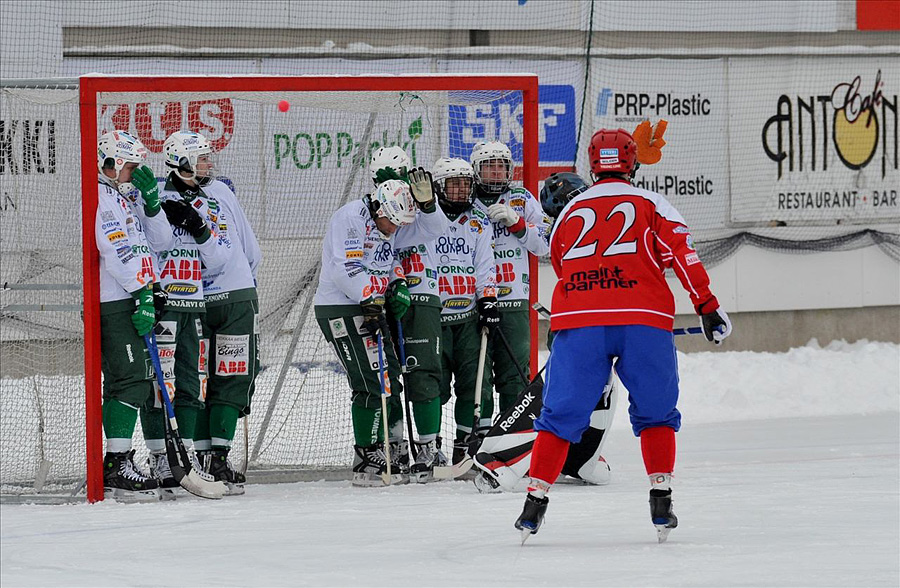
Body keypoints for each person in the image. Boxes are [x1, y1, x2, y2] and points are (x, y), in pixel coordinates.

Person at [513, 128, 732, 543]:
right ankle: (661, 496)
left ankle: (534, 501)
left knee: (559, 416)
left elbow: (560, 262)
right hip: (642, 319)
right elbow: (683, 255)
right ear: (632, 163)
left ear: (593, 166)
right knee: (656, 411)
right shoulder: (653, 203)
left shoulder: (570, 210)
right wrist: (706, 304)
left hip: (580, 320)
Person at [313, 168, 448, 487]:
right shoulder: (351, 217)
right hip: (342, 307)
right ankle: (366, 455)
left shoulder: (391, 225)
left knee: (388, 378)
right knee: (371, 380)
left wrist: (429, 207)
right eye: (393, 222)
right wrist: (370, 298)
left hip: (369, 305)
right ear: (379, 207)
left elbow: (433, 231)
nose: (395, 230)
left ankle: (386, 447)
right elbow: (345, 267)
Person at [150, 130, 260, 496]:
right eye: (202, 158)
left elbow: (225, 253)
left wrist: (198, 229)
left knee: (204, 380)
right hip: (174, 302)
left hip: (200, 301)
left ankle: (203, 458)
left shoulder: (214, 198)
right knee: (166, 383)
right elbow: (154, 244)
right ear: (182, 163)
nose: (209, 164)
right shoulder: (155, 198)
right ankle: (168, 458)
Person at [95, 130, 167, 502]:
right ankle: (115, 464)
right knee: (132, 382)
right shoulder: (101, 199)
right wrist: (141, 292)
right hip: (116, 300)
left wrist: (152, 203)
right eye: (131, 166)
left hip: (134, 296)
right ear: (111, 164)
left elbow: (160, 244)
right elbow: (115, 249)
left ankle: (117, 461)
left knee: (136, 381)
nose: (136, 173)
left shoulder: (124, 199)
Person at [369, 147, 448, 483]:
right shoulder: (373, 210)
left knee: (423, 372)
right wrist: (388, 284)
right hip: (384, 295)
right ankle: (395, 444)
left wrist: (428, 204)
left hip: (423, 293)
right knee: (388, 376)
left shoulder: (419, 208)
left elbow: (435, 230)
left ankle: (429, 445)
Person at [469, 141, 550, 430]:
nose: (496, 171)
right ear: (477, 170)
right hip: (475, 300)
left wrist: (516, 222)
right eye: (489, 165)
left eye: (502, 165)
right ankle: (481, 433)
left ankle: (515, 432)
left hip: (514, 298)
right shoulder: (467, 199)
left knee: (515, 372)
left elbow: (544, 244)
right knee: (479, 373)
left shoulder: (521, 198)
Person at [430, 157, 499, 465]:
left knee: (477, 382)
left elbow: (485, 265)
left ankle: (469, 444)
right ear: (438, 187)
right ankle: (428, 443)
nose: (460, 190)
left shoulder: (478, 221)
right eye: (453, 184)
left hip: (468, 317)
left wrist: (488, 299)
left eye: (465, 184)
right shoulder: (425, 219)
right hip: (433, 319)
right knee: (432, 383)